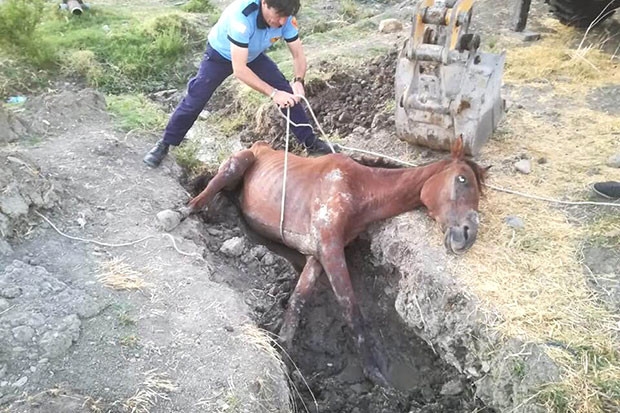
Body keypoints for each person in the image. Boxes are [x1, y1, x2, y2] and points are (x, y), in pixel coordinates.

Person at [144, 0, 336, 167]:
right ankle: (165, 144)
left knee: (287, 90)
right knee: (196, 99)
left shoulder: (285, 18)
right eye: (278, 15)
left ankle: (311, 143)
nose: (281, 22)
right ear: (264, 3)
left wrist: (299, 81)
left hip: (252, 55)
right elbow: (240, 70)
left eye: (286, 16)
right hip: (220, 55)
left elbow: (298, 54)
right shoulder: (242, 17)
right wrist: (273, 94)